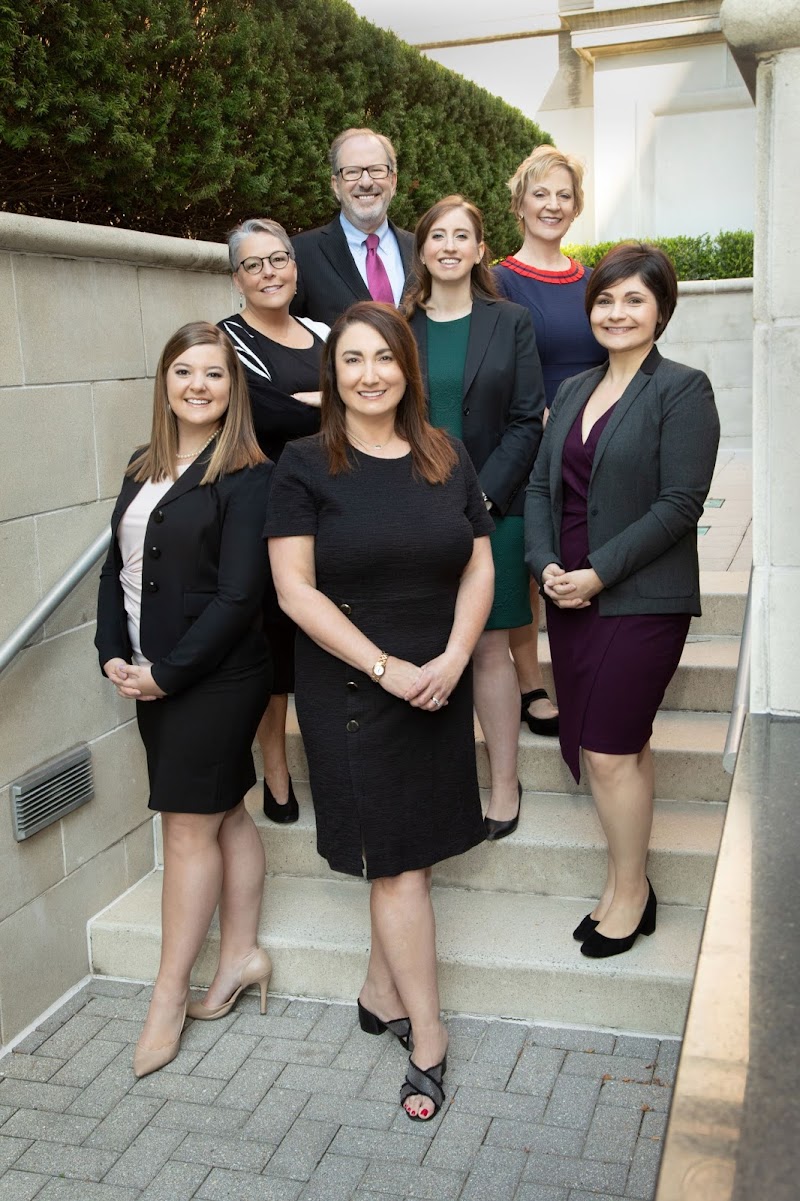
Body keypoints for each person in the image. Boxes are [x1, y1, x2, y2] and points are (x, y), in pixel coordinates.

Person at [265, 302, 494, 1120]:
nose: (370, 374)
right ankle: (428, 1034)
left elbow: (480, 564)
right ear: (333, 374)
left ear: (408, 367)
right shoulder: (303, 464)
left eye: (385, 358)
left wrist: (456, 656)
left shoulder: (446, 452)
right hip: (357, 688)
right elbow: (295, 591)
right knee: (396, 864)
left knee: (408, 858)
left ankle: (377, 991)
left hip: (438, 678)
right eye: (352, 359)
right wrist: (385, 667)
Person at [525, 243, 720, 959]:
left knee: (607, 750)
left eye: (634, 299)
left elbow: (680, 504)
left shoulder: (683, 390)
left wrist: (598, 573)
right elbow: (541, 487)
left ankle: (632, 894)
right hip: (570, 594)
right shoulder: (575, 388)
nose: (617, 312)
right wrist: (544, 562)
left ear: (661, 310)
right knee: (623, 746)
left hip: (640, 598)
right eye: (605, 300)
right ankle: (622, 879)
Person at [96, 322, 273, 1076]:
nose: (198, 385)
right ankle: (242, 955)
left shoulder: (249, 475)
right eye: (184, 372)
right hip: (148, 671)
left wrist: (165, 673)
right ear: (165, 382)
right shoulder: (144, 464)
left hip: (216, 676)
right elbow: (115, 567)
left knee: (186, 829)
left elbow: (239, 597)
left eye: (214, 374)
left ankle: (167, 997)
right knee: (224, 811)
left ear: (234, 389)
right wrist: (111, 648)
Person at [404, 195, 545, 841]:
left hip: (496, 506)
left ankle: (505, 783)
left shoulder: (510, 321)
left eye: (462, 236)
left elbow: (526, 419)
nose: (450, 246)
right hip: (415, 509)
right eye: (438, 235)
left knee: (489, 645)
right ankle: (441, 781)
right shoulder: (400, 325)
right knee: (429, 642)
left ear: (481, 249)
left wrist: (482, 499)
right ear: (423, 249)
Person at [495, 145, 608, 739]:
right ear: (519, 204)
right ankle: (530, 684)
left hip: (594, 441)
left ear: (577, 206)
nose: (552, 205)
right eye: (540, 193)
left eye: (564, 195)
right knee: (532, 562)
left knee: (587, 553)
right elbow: (495, 365)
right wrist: (538, 419)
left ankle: (587, 668)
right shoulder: (498, 281)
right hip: (530, 441)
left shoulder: (593, 282)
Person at [220, 217, 328, 825]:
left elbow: (369, 396)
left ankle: (333, 764)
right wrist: (330, 403)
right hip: (267, 512)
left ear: (294, 265)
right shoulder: (229, 340)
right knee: (275, 650)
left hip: (335, 506)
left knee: (328, 641)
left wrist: (319, 405)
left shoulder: (322, 332)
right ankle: (278, 774)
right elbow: (270, 414)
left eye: (279, 259)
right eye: (253, 264)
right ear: (236, 278)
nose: (269, 273)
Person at [291, 128, 414, 325]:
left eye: (376, 170)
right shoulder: (301, 254)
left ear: (393, 181)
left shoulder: (422, 250)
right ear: (336, 185)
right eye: (352, 172)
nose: (365, 182)